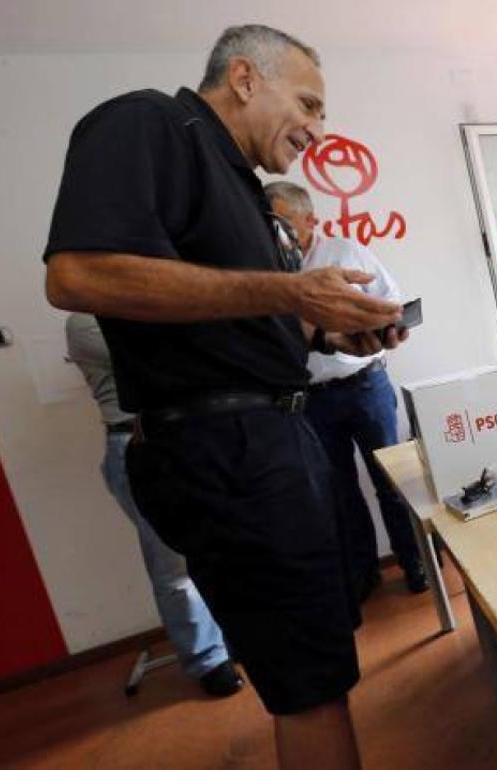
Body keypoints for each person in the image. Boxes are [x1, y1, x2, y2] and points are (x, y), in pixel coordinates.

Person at [44, 24, 404, 769]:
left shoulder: (243, 187)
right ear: (245, 78)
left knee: (317, 667)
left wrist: (328, 337)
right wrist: (290, 289)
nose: (318, 127)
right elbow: (76, 275)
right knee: (309, 682)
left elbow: (237, 326)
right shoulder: (149, 123)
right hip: (229, 453)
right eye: (307, 102)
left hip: (273, 440)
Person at [65, 313, 243, 698]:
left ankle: (232, 640)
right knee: (173, 563)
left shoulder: (145, 309)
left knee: (219, 549)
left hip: (189, 437)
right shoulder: (82, 322)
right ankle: (208, 660)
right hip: (134, 444)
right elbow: (163, 358)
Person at [265, 181, 426, 598]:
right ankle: (363, 573)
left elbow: (392, 304)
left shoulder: (345, 253)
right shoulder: (270, 269)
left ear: (310, 220)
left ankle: (416, 563)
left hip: (364, 385)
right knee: (338, 491)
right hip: (313, 398)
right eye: (269, 226)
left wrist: (376, 324)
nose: (278, 234)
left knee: (392, 479)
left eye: (285, 224)